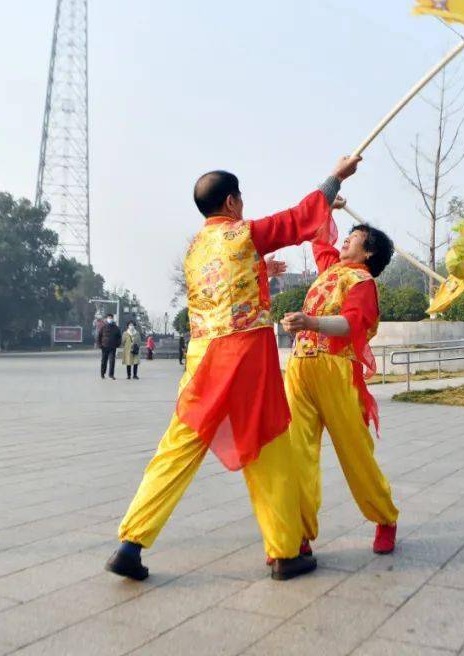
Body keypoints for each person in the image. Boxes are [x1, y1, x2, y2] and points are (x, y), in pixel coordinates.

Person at [105, 155, 360, 583]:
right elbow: (296, 220)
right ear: (231, 202)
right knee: (268, 445)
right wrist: (335, 178)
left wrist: (264, 267)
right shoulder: (243, 234)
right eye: (240, 199)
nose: (244, 206)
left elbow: (226, 284)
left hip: (202, 359)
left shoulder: (194, 250)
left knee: (178, 447)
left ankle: (131, 543)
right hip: (244, 356)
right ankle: (284, 551)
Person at [280, 199, 400, 558]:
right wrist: (327, 207)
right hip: (299, 369)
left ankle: (385, 517)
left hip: (337, 371)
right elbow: (320, 238)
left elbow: (351, 326)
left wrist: (311, 322)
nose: (346, 240)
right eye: (347, 235)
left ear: (369, 253)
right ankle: (299, 533)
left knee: (355, 453)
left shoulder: (363, 283)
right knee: (296, 452)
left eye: (356, 237)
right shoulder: (329, 269)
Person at [96, 314, 122, 380]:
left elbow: (119, 337)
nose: (110, 319)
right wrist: (100, 345)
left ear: (113, 319)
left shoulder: (116, 327)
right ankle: (102, 374)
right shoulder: (103, 327)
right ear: (106, 319)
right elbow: (99, 336)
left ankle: (111, 374)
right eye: (109, 318)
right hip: (104, 347)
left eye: (111, 318)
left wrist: (118, 344)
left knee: (112, 361)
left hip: (113, 347)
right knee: (104, 361)